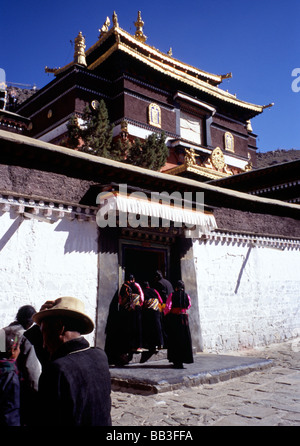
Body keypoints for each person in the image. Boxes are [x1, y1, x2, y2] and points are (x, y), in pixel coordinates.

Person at [33, 296, 112, 426]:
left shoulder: (57, 371)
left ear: (59, 328)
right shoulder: (100, 355)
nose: (43, 344)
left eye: (45, 331)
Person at [8, 306, 42, 425]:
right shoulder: (25, 336)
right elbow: (31, 369)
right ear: (30, 322)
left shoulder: (3, 332)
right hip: (18, 386)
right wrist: (37, 391)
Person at [164, 280, 194, 369]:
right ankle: (183, 359)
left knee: (175, 339)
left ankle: (176, 360)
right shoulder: (186, 295)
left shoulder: (172, 295)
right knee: (184, 339)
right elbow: (189, 305)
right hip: (184, 319)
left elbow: (168, 307)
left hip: (175, 319)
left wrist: (165, 314)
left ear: (176, 287)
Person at [118, 274, 144, 358]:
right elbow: (142, 297)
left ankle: (127, 346)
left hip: (126, 310)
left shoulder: (123, 286)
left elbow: (120, 300)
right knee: (137, 326)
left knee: (128, 327)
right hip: (136, 308)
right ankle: (137, 346)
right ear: (134, 279)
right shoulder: (136, 285)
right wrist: (140, 304)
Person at [0, 327, 21, 426]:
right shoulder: (10, 376)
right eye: (18, 347)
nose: (19, 350)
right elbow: (11, 412)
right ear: (13, 351)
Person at [140, 282, 164, 363]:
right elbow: (160, 300)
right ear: (149, 285)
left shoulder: (143, 292)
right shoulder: (154, 290)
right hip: (156, 310)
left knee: (149, 328)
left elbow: (142, 301)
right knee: (157, 327)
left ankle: (151, 346)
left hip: (147, 312)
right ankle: (160, 343)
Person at [153, 270, 174, 347]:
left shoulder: (159, 283)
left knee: (163, 325)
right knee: (168, 325)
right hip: (170, 305)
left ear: (157, 276)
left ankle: (165, 342)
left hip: (164, 306)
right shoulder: (167, 282)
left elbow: (161, 296)